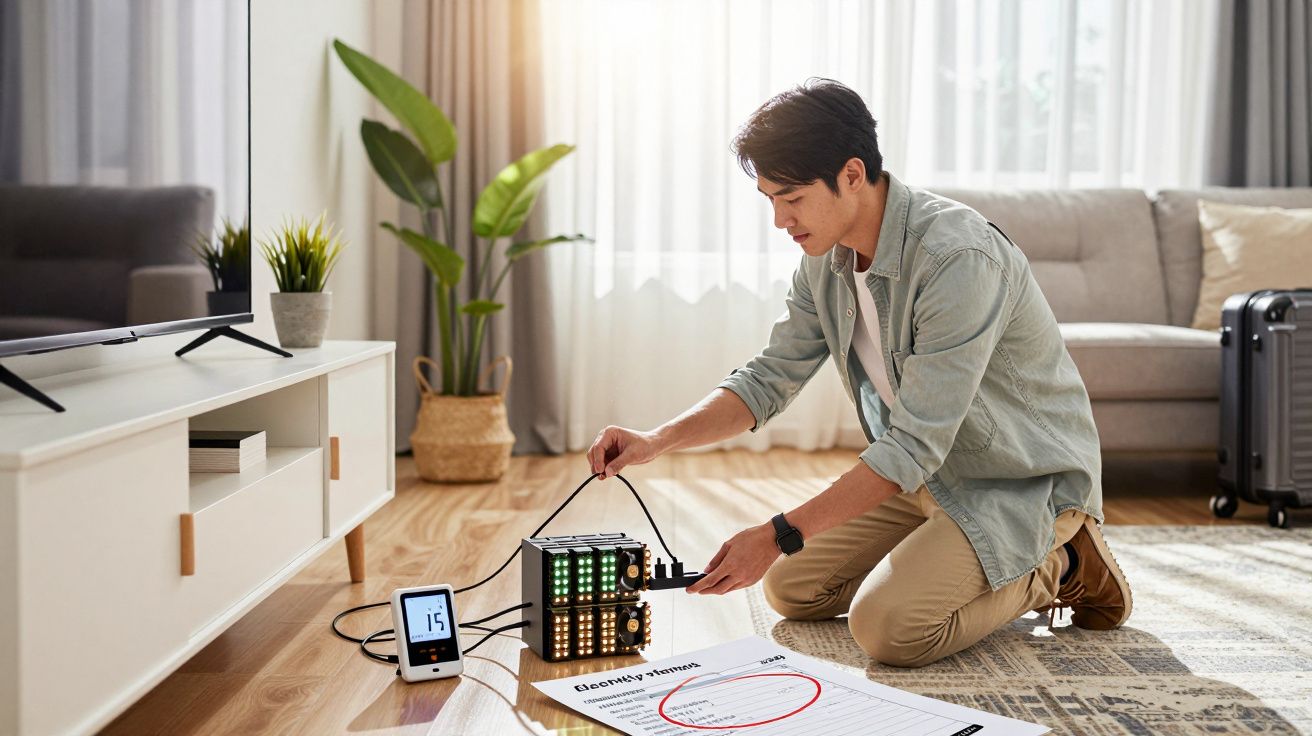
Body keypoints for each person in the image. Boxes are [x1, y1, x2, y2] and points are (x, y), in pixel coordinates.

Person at [586, 78, 1131, 668]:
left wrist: (775, 534)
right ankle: (948, 549)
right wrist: (656, 440)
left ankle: (1064, 562)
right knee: (793, 589)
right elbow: (769, 378)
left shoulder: (958, 258)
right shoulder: (826, 259)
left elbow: (913, 443)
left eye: (792, 198)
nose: (780, 220)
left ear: (851, 175)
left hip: (1016, 482)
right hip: (928, 479)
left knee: (890, 629)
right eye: (770, 200)